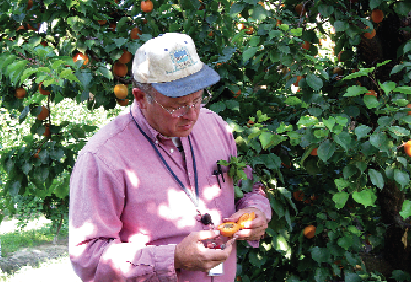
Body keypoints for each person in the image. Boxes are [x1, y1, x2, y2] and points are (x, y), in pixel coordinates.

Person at [69, 33, 271, 282]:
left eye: (198, 99)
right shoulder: (103, 157)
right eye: (176, 105)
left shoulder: (214, 126)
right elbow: (88, 259)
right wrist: (174, 258)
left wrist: (256, 210)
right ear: (141, 98)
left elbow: (248, 187)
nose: (192, 115)